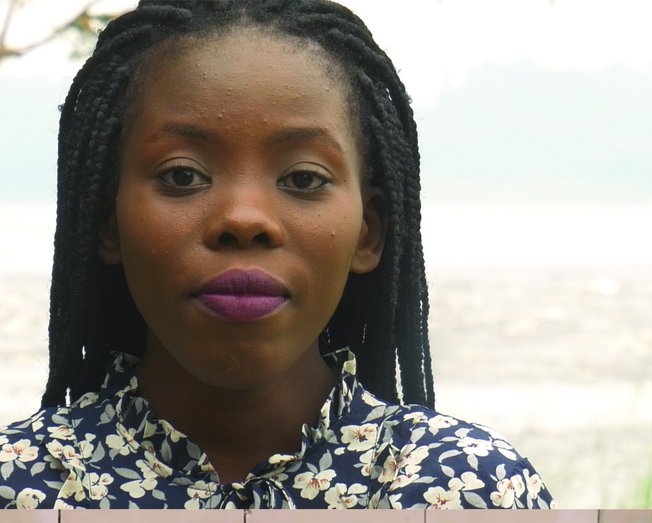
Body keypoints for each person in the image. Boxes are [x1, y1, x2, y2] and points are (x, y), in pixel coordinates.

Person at [0, 0, 552, 510]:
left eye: (304, 178)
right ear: (107, 223)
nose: (244, 218)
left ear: (368, 233)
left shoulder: (465, 488)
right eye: (183, 175)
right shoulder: (20, 486)